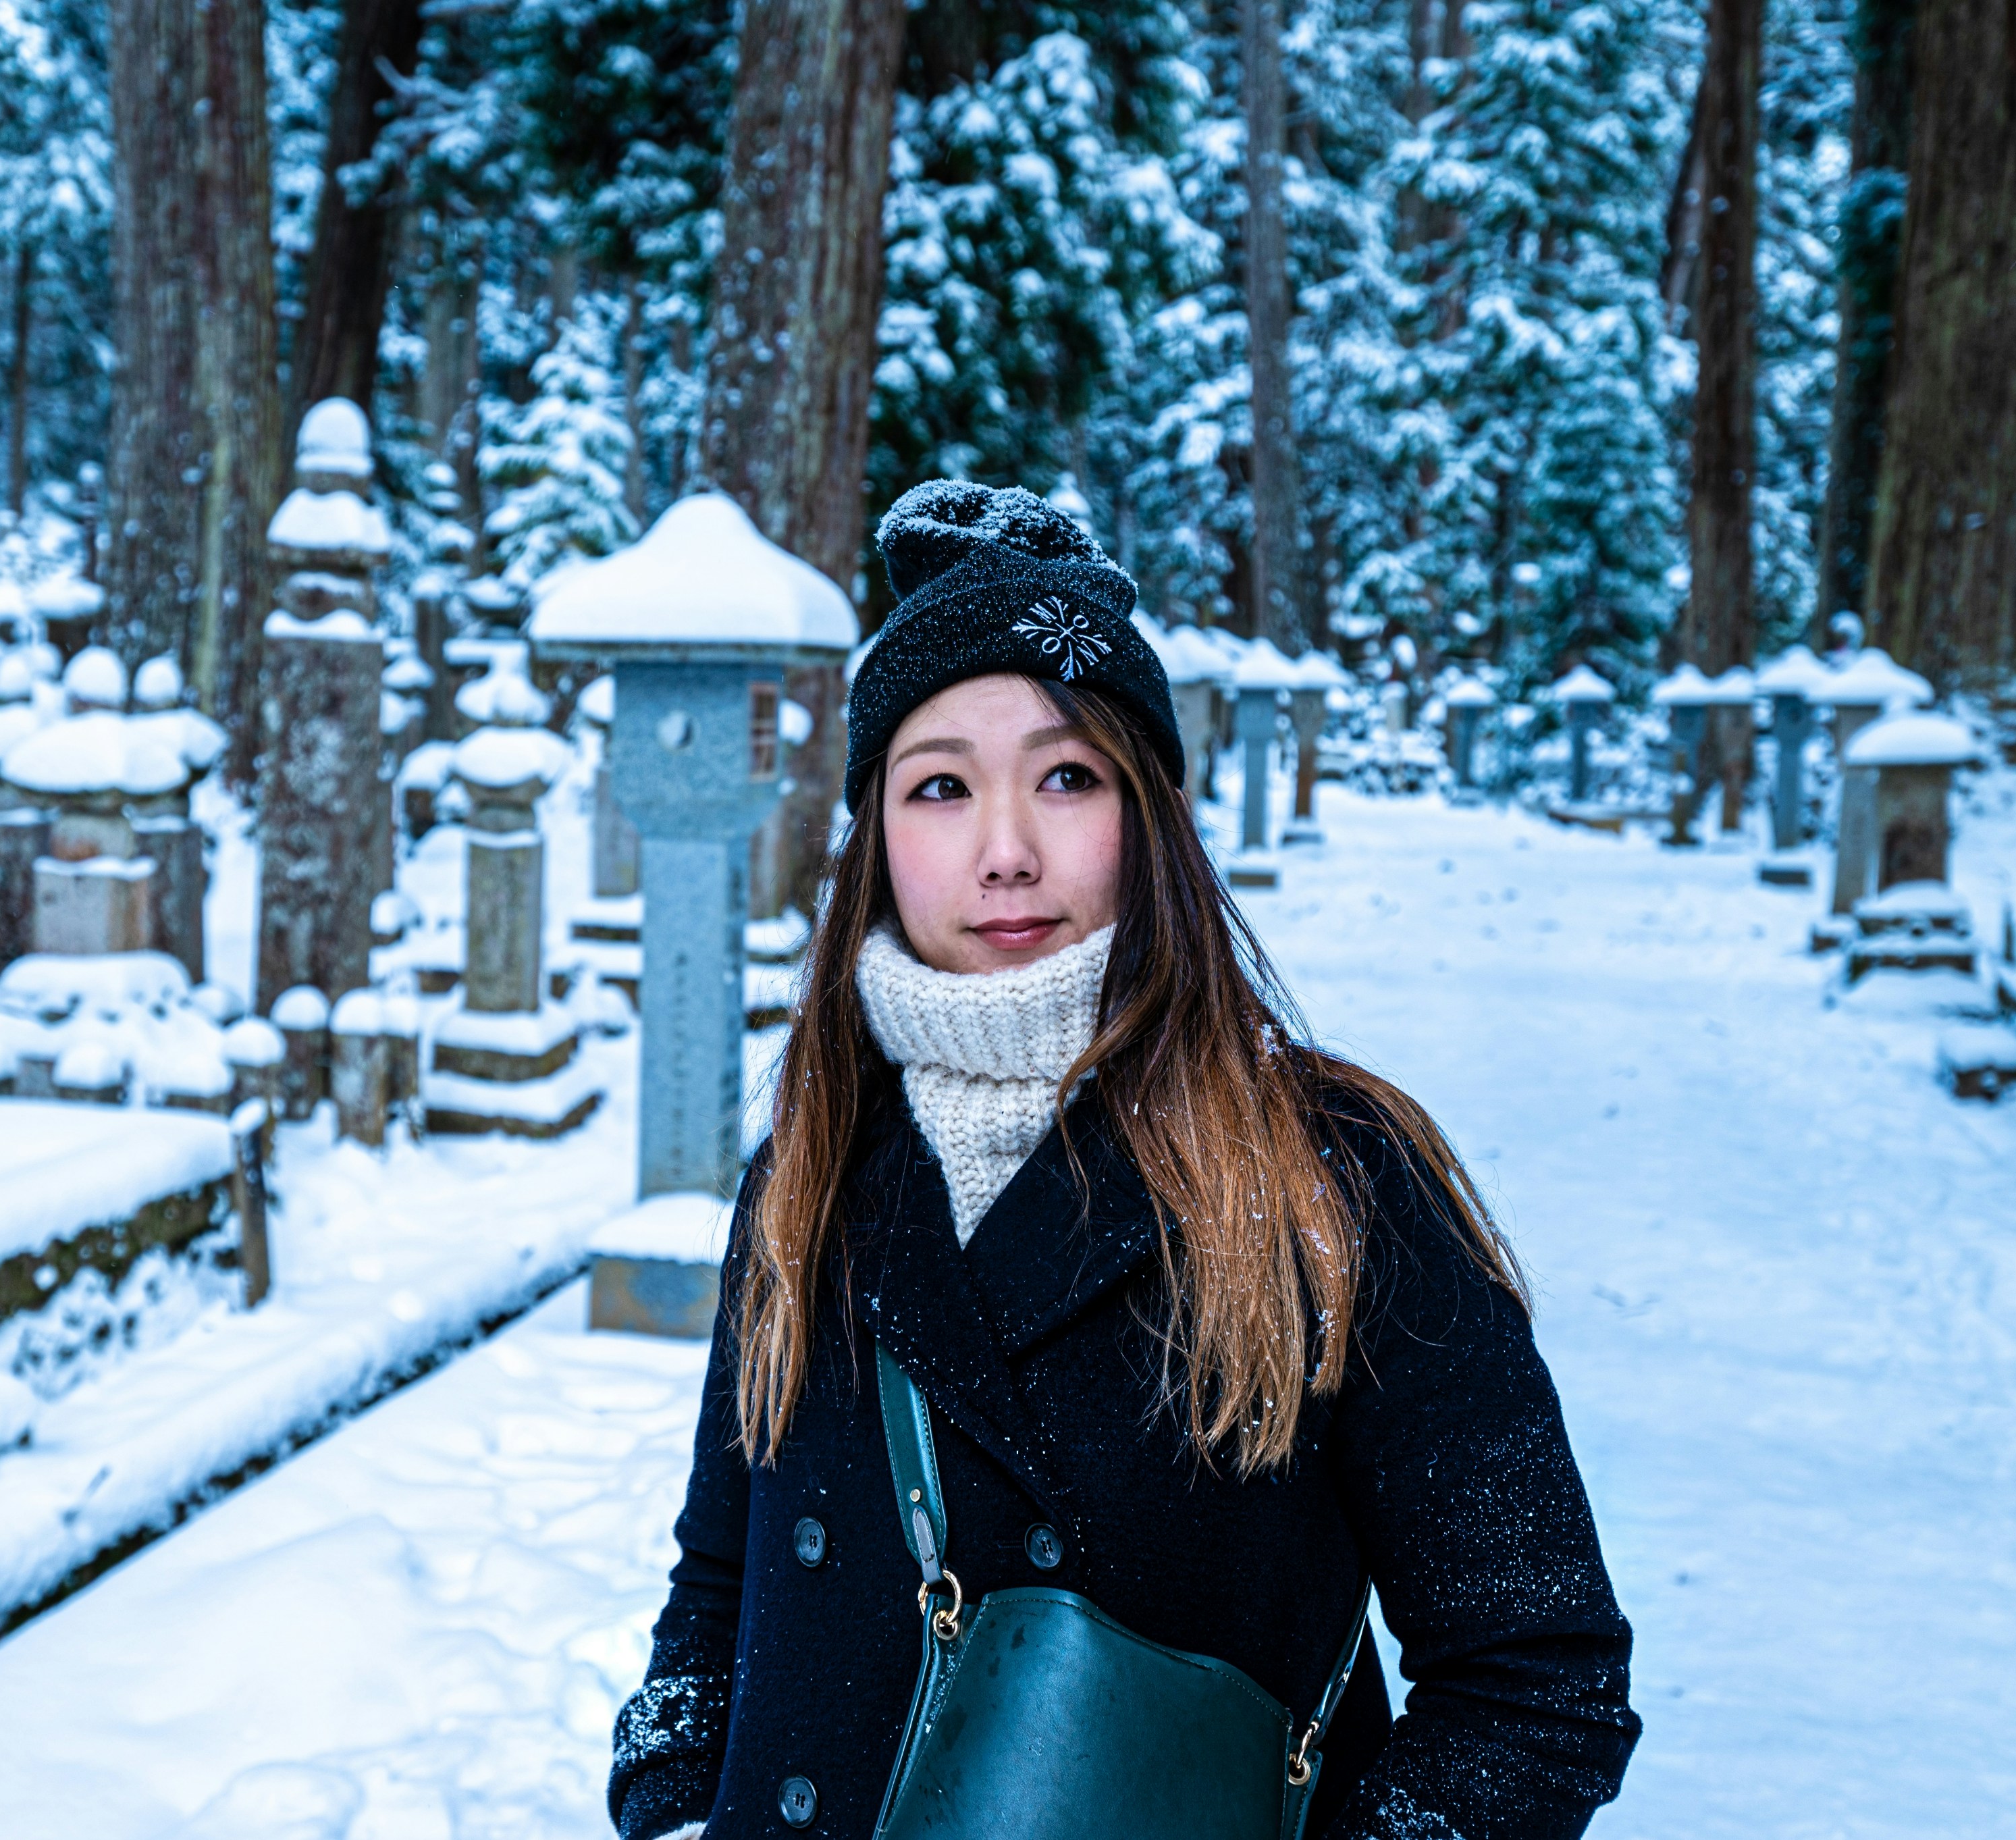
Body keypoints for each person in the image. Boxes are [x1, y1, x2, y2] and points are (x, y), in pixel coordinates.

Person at [608, 481, 1639, 1839]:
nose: (1004, 853)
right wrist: (679, 1803)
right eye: (937, 787)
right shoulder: (807, 1177)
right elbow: (723, 1579)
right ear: (874, 839)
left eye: (1065, 776)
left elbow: (1536, 1673)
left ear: (1144, 812)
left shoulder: (1329, 1178)